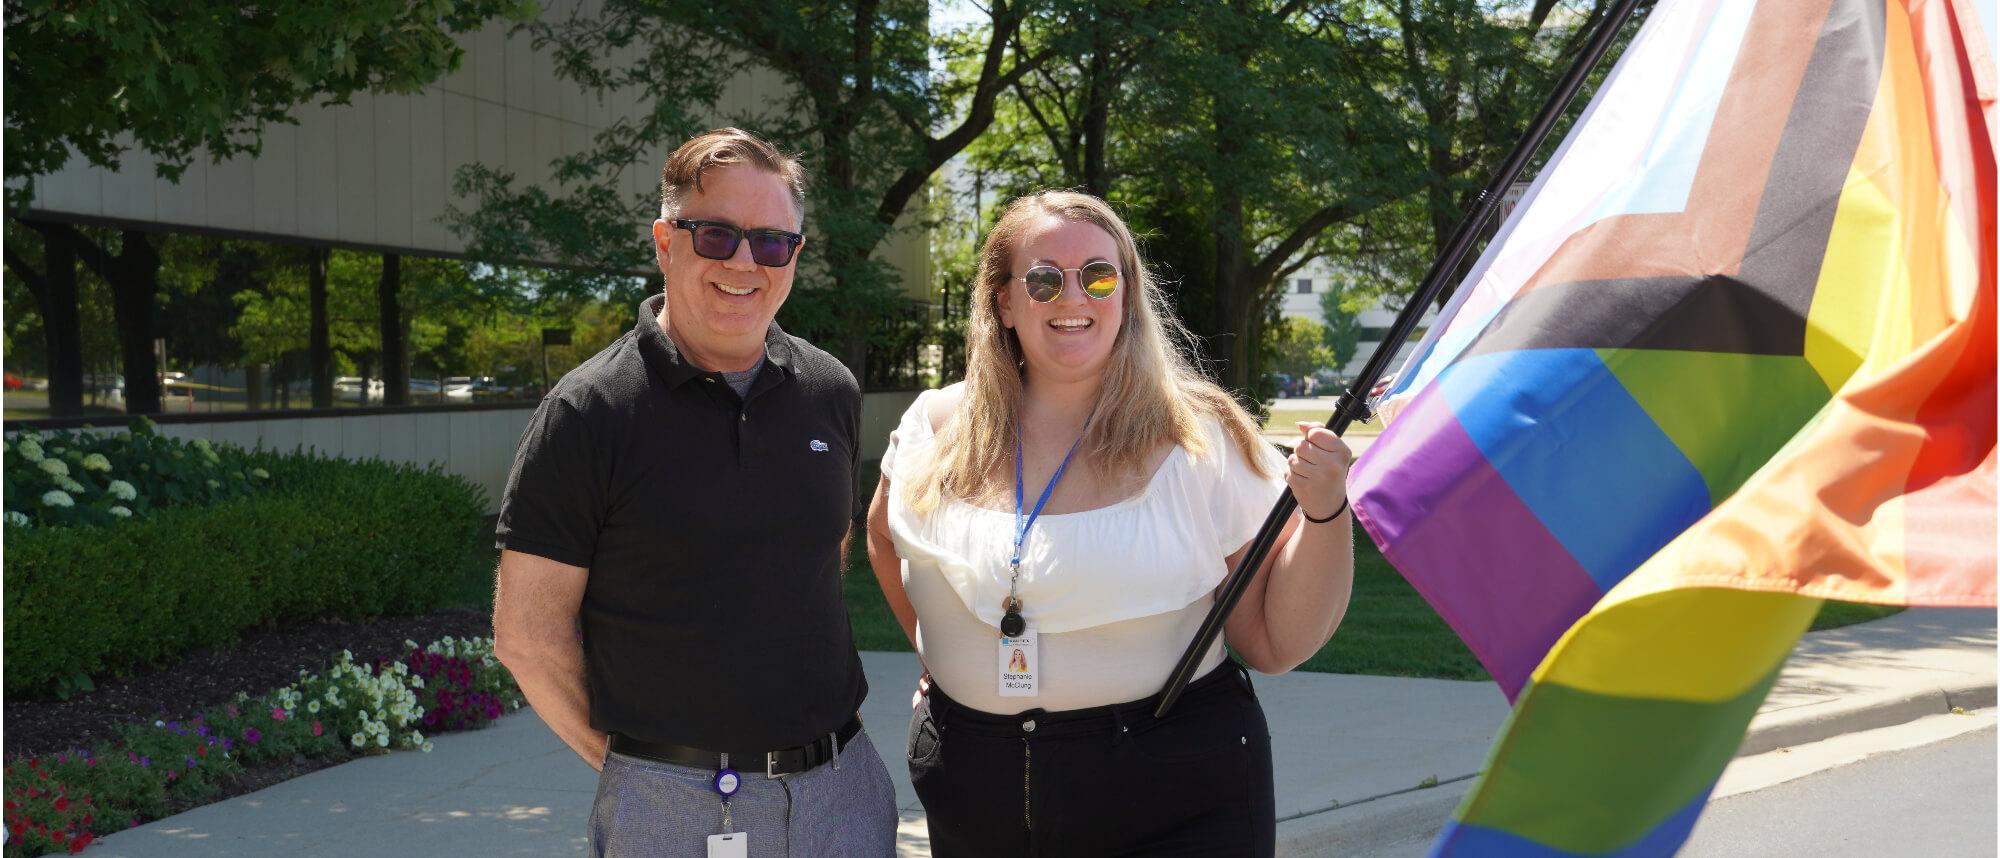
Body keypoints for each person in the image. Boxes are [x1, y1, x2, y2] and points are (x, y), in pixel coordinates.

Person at [866, 190, 1356, 856]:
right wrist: (943, 654)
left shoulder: (1198, 439)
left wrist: (1325, 510)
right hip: (973, 788)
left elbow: (1275, 642)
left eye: (1098, 276)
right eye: (1044, 279)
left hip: (1171, 791)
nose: (1073, 297)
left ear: (1126, 295)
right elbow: (881, 536)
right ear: (1004, 302)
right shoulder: (930, 427)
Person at [493, 127, 898, 857]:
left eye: (773, 242)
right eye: (716, 235)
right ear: (664, 241)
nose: (745, 261)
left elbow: (820, 557)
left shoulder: (829, 391)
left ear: (795, 257)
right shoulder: (591, 411)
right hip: (676, 809)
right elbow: (527, 635)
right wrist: (642, 773)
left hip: (846, 793)